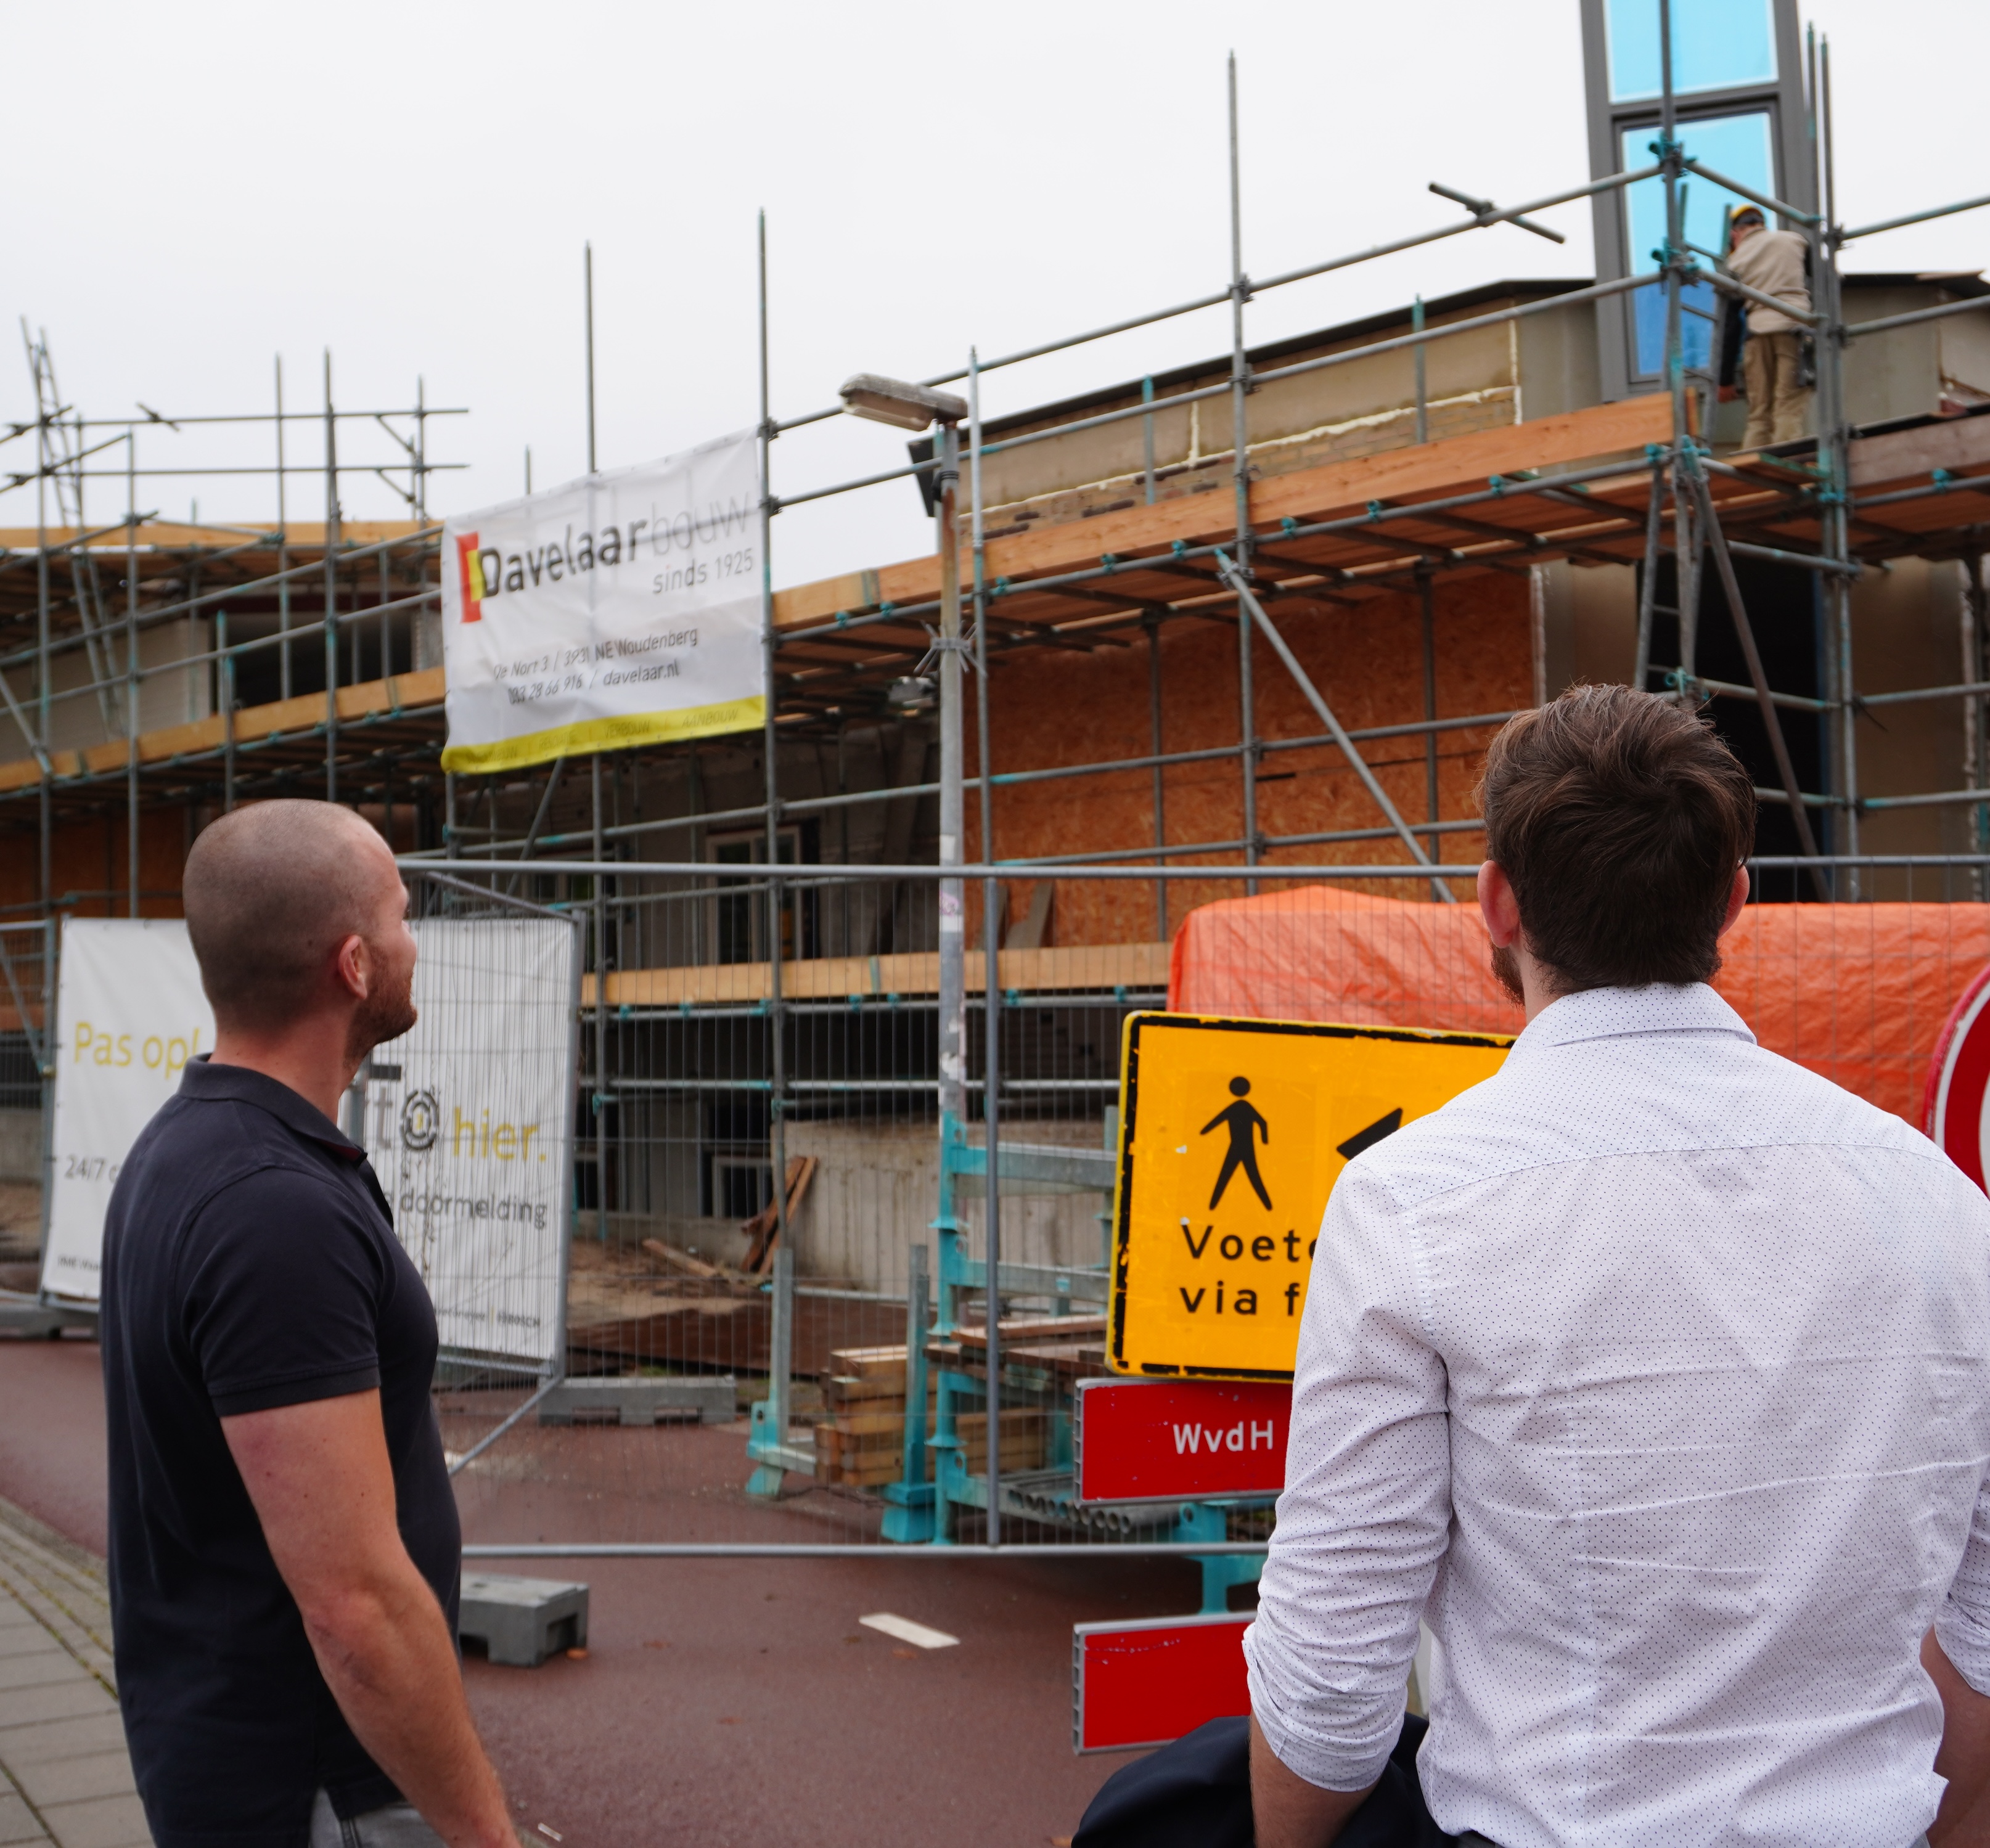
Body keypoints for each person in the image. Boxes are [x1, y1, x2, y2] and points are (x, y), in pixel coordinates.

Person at [1244, 685, 1990, 1848]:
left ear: (1496, 900)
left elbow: (1332, 1663)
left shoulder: (1412, 1199)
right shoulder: (1942, 1203)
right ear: (1734, 900)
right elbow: (1984, 1637)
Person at [100, 801, 517, 1848]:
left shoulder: (188, 1147)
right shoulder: (270, 1207)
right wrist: (483, 1830)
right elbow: (354, 1605)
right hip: (314, 1788)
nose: (416, 940)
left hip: (242, 1749)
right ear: (354, 964)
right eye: (403, 915)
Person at [1718, 205, 1814, 450]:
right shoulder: (1795, 241)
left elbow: (1729, 324)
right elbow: (1827, 279)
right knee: (1788, 406)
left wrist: (1725, 379)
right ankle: (1785, 465)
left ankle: (1751, 471)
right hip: (1794, 328)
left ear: (1735, 233)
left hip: (1757, 333)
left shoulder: (1735, 261)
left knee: (1759, 413)